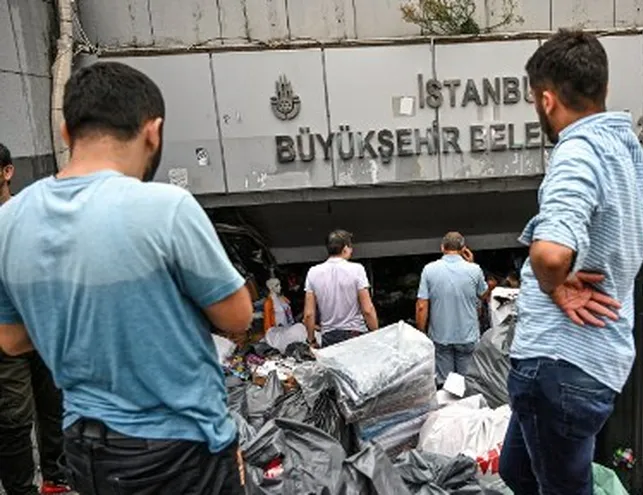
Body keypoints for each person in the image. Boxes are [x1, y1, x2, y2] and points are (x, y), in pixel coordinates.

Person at [0, 62, 254, 494]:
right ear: (152, 131)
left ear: (67, 133)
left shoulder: (8, 222)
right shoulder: (165, 207)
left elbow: (11, 340)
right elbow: (237, 316)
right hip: (181, 448)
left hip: (85, 448)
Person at [498, 30, 643, 495]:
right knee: (517, 471)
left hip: (558, 363)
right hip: (591, 363)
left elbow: (551, 252)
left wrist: (556, 284)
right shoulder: (628, 151)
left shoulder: (577, 153)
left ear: (547, 100)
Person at [0, 145, 71, 495]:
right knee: (14, 417)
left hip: (43, 326)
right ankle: (20, 489)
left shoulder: (28, 214)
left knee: (53, 405)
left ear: (7, 172)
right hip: (3, 336)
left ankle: (56, 477)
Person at [415, 232, 490, 387]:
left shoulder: (429, 270)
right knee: (466, 383)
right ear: (463, 248)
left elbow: (422, 306)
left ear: (442, 247)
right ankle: (466, 407)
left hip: (441, 336)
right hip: (467, 335)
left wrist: (421, 332)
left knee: (446, 384)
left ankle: (450, 408)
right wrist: (471, 263)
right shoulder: (474, 270)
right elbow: (484, 295)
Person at [304, 230, 379, 347]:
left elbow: (309, 313)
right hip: (355, 334)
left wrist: (311, 340)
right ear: (345, 249)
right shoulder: (357, 270)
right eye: (350, 247)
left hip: (329, 337)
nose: (351, 251)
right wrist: (376, 334)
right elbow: (367, 309)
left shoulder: (313, 273)